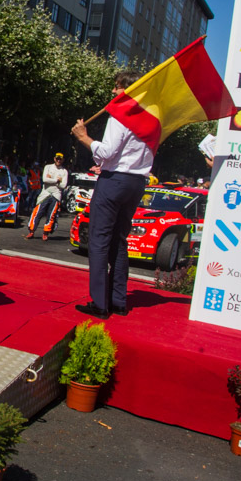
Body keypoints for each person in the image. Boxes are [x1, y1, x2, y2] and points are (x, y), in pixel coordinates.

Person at [70, 71, 152, 318]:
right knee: (119, 240)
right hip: (136, 182)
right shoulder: (151, 118)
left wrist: (83, 137)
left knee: (99, 240)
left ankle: (100, 303)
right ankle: (118, 300)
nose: (114, 91)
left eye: (118, 87)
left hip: (115, 180)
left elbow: (106, 152)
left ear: (129, 90)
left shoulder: (120, 115)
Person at [26, 152, 69, 240]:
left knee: (51, 215)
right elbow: (45, 180)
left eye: (60, 159)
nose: (58, 160)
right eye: (57, 159)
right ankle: (31, 231)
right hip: (45, 194)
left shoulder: (64, 171)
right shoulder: (48, 167)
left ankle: (46, 233)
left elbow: (63, 185)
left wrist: (51, 179)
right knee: (37, 212)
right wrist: (57, 180)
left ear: (63, 160)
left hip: (56, 195)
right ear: (54, 159)